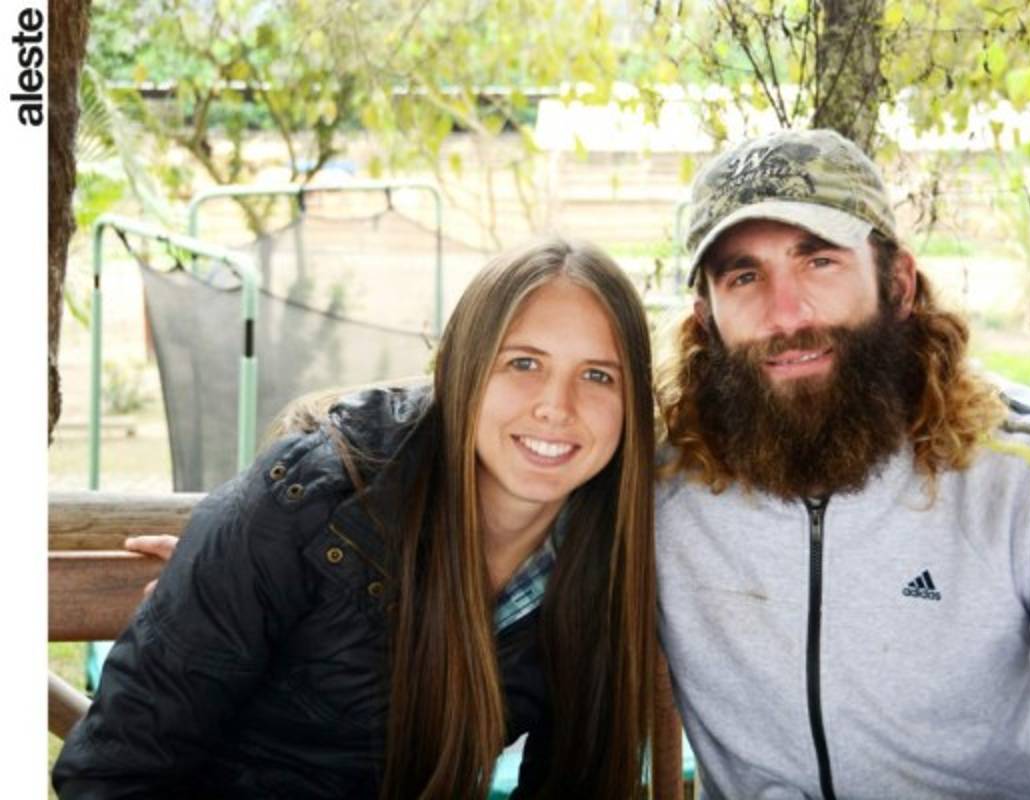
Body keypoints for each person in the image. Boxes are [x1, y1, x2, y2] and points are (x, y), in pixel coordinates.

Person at [654, 128, 1030, 799]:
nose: (786, 313)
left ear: (899, 283)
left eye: (819, 261)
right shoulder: (662, 484)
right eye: (744, 276)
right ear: (706, 317)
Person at [53, 237, 658, 799]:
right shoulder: (309, 501)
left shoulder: (603, 553)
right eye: (524, 363)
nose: (557, 406)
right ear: (461, 368)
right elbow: (111, 775)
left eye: (597, 375)